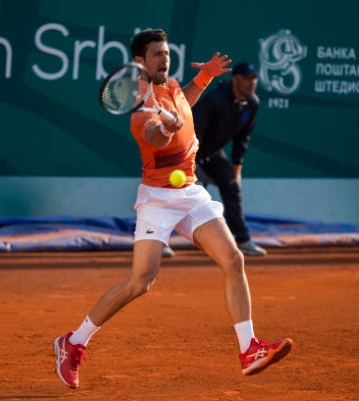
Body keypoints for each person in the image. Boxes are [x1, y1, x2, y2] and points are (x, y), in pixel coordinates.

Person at [54, 29, 292, 389]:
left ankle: (249, 350)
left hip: (190, 192)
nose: (164, 59)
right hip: (157, 200)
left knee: (233, 260)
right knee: (140, 283)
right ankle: (72, 342)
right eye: (156, 55)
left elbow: (185, 101)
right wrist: (165, 128)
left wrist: (205, 76)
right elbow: (155, 137)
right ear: (140, 62)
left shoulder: (173, 86)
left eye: (165, 53)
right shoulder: (140, 109)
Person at [162, 61, 266, 258]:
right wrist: (186, 161)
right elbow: (192, 129)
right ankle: (158, 241)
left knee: (231, 186)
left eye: (254, 79)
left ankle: (241, 239)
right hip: (187, 150)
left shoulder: (252, 103)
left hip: (212, 153)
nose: (251, 83)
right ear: (235, 79)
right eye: (246, 79)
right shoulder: (215, 100)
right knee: (175, 195)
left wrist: (237, 166)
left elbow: (242, 137)